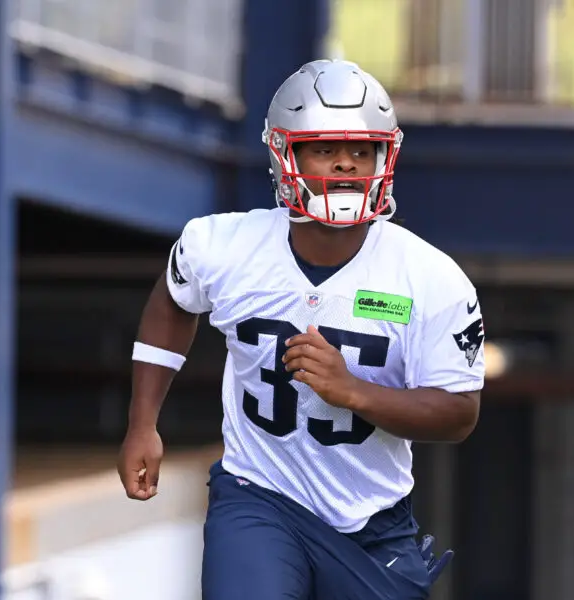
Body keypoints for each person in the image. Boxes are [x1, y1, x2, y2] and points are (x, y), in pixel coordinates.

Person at [116, 59, 484, 600]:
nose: (345, 166)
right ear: (285, 154)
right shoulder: (225, 247)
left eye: (361, 151)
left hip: (372, 521)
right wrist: (142, 422)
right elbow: (174, 299)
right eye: (325, 149)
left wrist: (353, 391)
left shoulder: (431, 279)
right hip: (258, 496)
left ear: (385, 156)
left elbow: (459, 412)